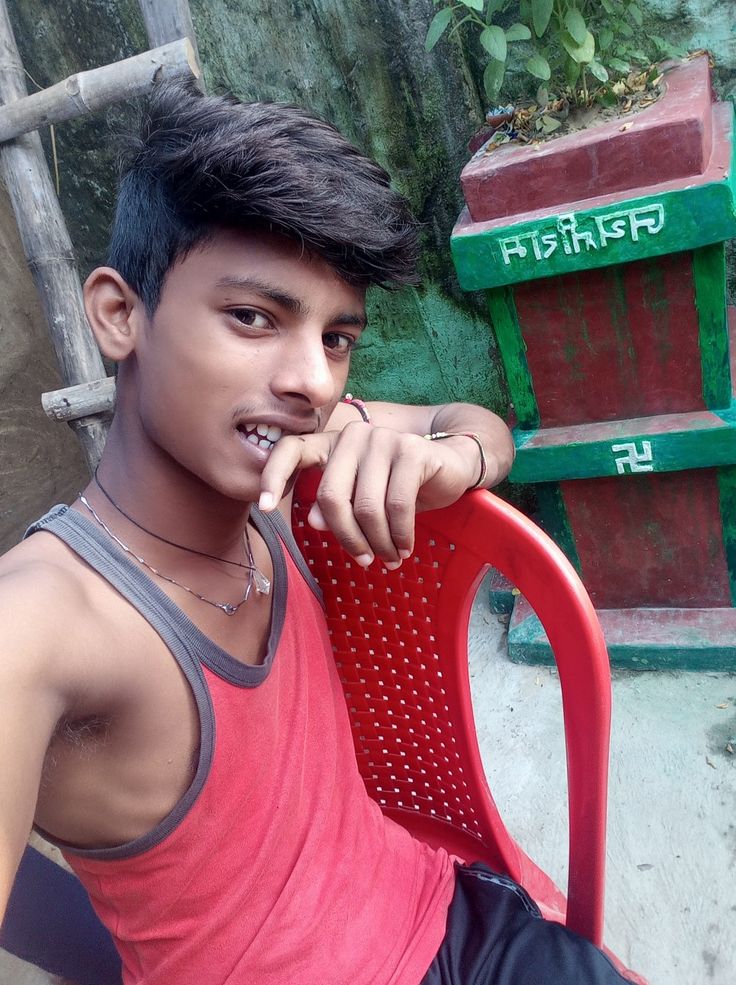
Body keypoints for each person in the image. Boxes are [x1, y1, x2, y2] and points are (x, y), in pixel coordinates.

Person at [0, 82, 634, 985]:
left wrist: (453, 456)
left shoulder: (293, 464)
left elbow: (475, 421)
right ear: (119, 313)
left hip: (449, 914)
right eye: (253, 317)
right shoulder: (42, 618)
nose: (312, 381)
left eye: (337, 338)